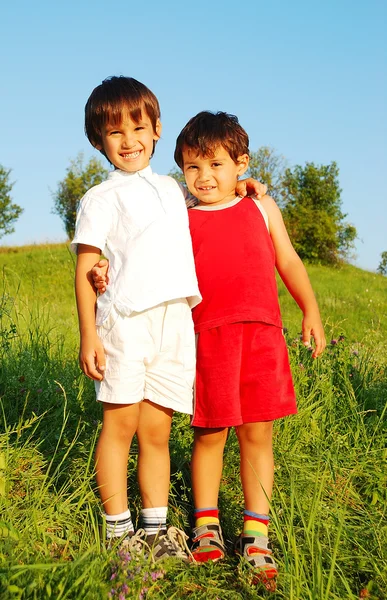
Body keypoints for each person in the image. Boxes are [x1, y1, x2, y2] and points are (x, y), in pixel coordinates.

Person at [72, 76, 266, 561]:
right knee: (119, 426)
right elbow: (85, 268)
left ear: (157, 129)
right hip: (126, 323)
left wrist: (244, 185)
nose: (129, 141)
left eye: (137, 127)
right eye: (114, 133)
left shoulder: (172, 189)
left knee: (157, 431)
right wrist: (88, 334)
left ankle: (155, 532)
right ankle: (119, 535)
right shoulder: (100, 198)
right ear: (99, 142)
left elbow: (212, 195)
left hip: (174, 324)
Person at [172, 111, 326, 587]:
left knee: (258, 436)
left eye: (215, 164)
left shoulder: (262, 207)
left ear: (241, 164)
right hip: (208, 337)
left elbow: (288, 259)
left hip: (262, 335)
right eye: (192, 167)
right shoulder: (179, 217)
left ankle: (255, 535)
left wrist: (311, 310)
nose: (204, 177)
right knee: (211, 432)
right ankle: (206, 526)